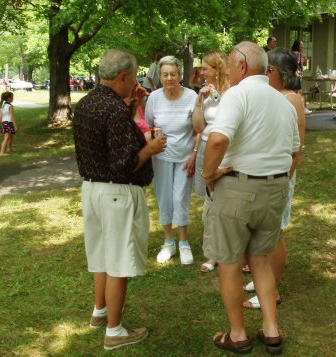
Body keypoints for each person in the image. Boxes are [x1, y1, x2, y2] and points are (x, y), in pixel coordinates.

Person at [202, 41, 300, 355]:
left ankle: (238, 335)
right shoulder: (283, 101)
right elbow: (296, 149)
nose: (228, 71)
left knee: (229, 264)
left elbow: (217, 139)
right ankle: (271, 330)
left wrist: (208, 174)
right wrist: (281, 179)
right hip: (275, 189)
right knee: (260, 260)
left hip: (238, 188)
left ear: (242, 66)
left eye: (231, 65)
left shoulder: (237, 94)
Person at [73, 49, 167, 351]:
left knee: (102, 255)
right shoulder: (112, 109)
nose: (137, 82)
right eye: (135, 76)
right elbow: (123, 163)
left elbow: (110, 138)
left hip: (93, 190)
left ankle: (100, 312)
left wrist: (132, 106)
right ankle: (114, 331)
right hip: (116, 193)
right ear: (123, 76)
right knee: (119, 263)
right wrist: (151, 148)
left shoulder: (88, 103)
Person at [242, 47, 306, 310]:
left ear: (280, 72)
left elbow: (296, 147)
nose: (264, 74)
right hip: (267, 175)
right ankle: (262, 279)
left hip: (281, 177)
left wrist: (286, 181)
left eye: (268, 70)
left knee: (275, 234)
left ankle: (272, 290)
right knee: (263, 232)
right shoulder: (275, 96)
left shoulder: (291, 99)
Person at [145, 55, 200, 265]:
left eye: (173, 74)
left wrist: (195, 153)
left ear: (180, 75)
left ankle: (184, 242)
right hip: (161, 157)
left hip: (185, 157)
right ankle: (168, 241)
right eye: (165, 74)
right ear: (160, 76)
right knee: (165, 198)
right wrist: (153, 137)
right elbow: (149, 126)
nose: (169, 78)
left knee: (180, 199)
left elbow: (198, 129)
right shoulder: (154, 98)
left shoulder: (191, 96)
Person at [192, 50, 230, 273]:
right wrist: (199, 101)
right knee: (210, 202)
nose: (201, 72)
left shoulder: (233, 91)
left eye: (205, 68)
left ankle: (233, 251)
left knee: (227, 201)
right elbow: (198, 127)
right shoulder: (205, 92)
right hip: (207, 147)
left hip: (226, 149)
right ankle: (214, 253)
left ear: (217, 69)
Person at [291, 39, 312, 115]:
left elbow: (305, 64)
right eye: (301, 44)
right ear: (298, 46)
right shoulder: (297, 54)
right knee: (299, 92)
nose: (303, 46)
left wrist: (304, 58)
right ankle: (302, 108)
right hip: (297, 74)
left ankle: (297, 107)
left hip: (297, 75)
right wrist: (303, 57)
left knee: (296, 91)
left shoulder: (297, 54)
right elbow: (298, 64)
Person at [0, 91, 18, 157]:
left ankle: (10, 148)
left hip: (4, 123)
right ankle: (2, 152)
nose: (13, 98)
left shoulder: (3, 106)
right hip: (9, 123)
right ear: (9, 98)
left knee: (11, 136)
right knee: (6, 138)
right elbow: (12, 116)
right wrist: (15, 125)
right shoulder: (10, 106)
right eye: (12, 97)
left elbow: (0, 116)